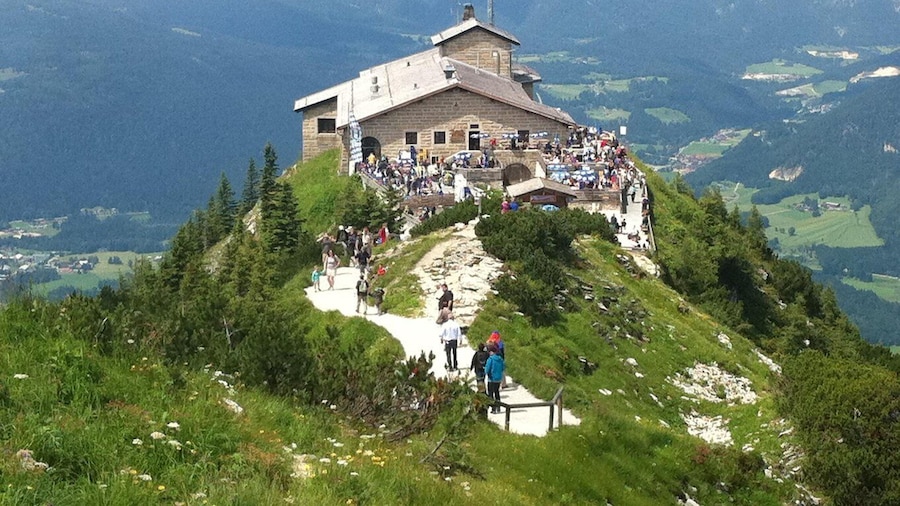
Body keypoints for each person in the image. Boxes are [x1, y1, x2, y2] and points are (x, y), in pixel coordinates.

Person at [485, 345, 505, 413]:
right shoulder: (500, 359)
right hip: (498, 378)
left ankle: (493, 408)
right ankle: (499, 407)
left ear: (491, 352)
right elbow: (503, 368)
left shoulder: (490, 359)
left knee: (490, 393)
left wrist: (486, 372)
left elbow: (487, 369)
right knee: (497, 392)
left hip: (491, 379)